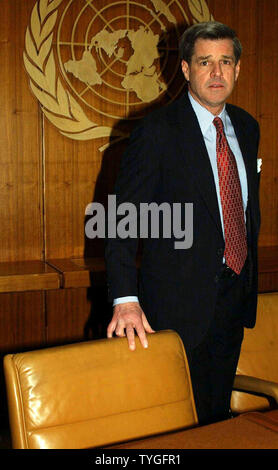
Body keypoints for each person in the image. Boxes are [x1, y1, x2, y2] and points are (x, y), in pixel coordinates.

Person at [105, 21, 260, 425]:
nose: (216, 73)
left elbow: (241, 209)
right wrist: (125, 300)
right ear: (186, 70)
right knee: (171, 422)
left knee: (216, 418)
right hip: (174, 308)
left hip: (232, 298)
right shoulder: (156, 132)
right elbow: (122, 220)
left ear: (237, 69)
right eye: (205, 62)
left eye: (225, 62)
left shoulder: (247, 127)